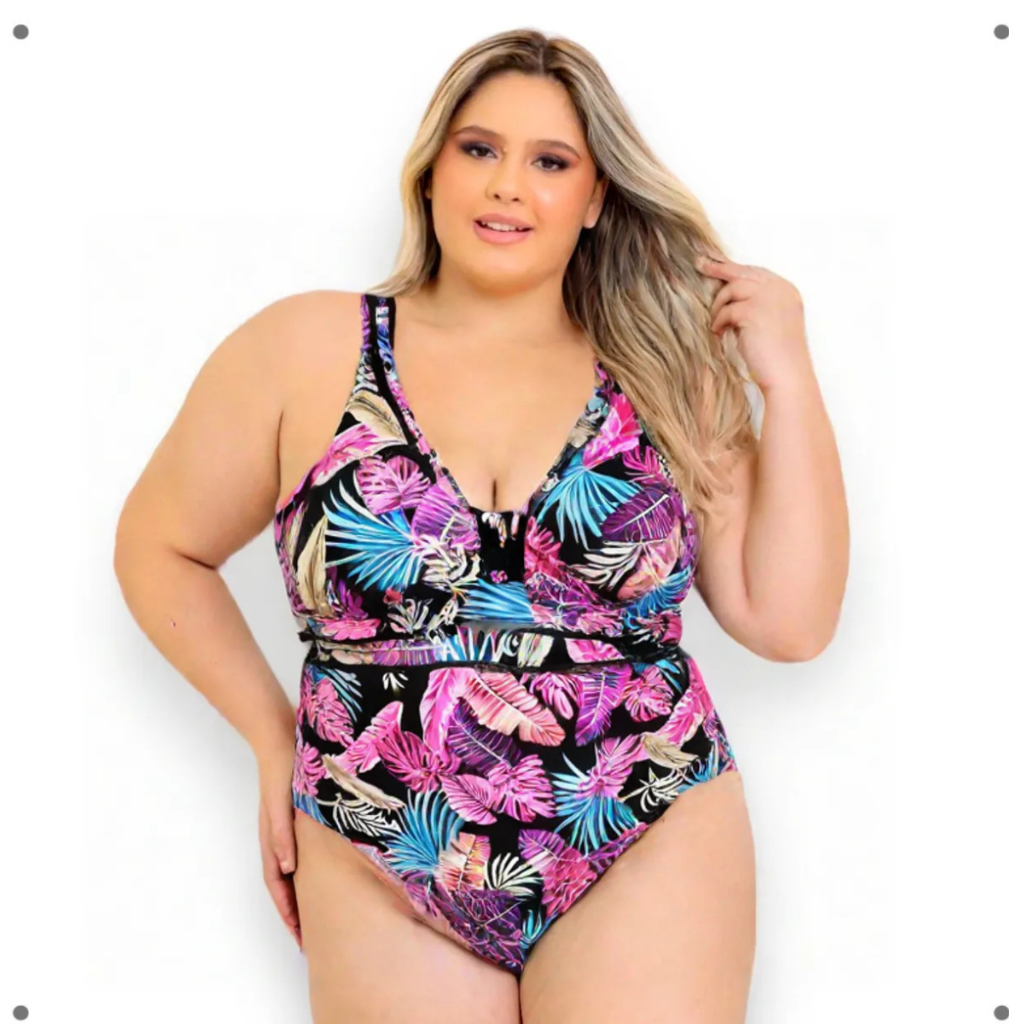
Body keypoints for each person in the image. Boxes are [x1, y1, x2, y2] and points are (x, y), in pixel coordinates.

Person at [113, 26, 848, 1024]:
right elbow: (159, 548)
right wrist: (268, 735)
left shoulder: (660, 368)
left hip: (645, 818)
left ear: (596, 196)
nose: (507, 185)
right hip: (380, 838)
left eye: (550, 162)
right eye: (479, 148)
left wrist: (787, 377)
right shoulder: (303, 347)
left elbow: (789, 621)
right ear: (431, 171)